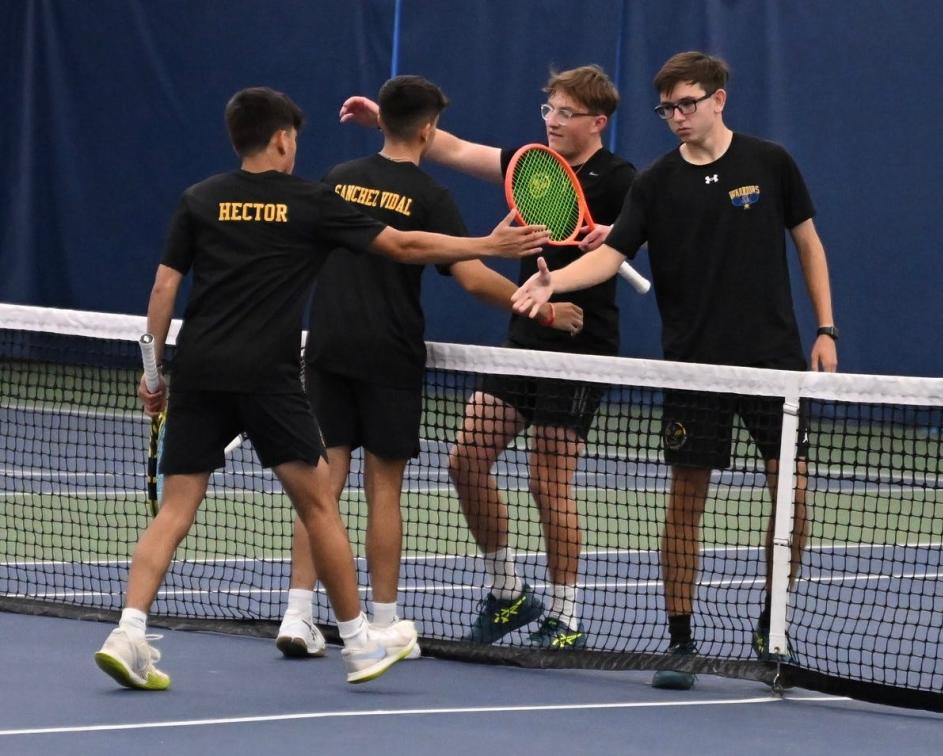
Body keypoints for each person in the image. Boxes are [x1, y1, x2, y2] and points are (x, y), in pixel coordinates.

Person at [93, 86, 549, 690]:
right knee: (319, 504)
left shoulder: (199, 199)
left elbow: (162, 290)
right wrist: (488, 244)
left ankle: (128, 633)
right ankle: (362, 644)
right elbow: (404, 245)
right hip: (269, 379)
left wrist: (153, 376)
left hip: (199, 372)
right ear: (282, 139)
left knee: (176, 510)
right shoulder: (311, 203)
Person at [512, 51, 837, 688]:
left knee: (792, 495)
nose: (676, 117)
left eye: (686, 104)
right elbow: (609, 257)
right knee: (685, 500)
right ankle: (680, 642)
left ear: (719, 99)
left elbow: (808, 243)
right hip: (692, 366)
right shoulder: (654, 184)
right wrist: (552, 285)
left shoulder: (770, 163)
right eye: (667, 108)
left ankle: (774, 625)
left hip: (773, 363)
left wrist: (826, 328)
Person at [276, 76, 583, 659]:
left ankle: (299, 614)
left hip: (328, 347)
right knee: (383, 489)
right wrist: (541, 310)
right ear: (427, 129)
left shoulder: (337, 179)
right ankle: (385, 622)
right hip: (389, 352)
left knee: (322, 484)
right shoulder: (431, 195)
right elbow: (469, 277)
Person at [339, 65, 634, 649]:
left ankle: (566, 617)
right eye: (548, 109)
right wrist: (386, 120)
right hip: (527, 333)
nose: (552, 121)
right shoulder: (534, 166)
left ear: (597, 122)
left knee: (548, 481)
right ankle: (508, 593)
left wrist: (613, 231)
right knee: (465, 460)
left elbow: (654, 227)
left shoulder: (622, 178)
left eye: (565, 113)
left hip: (580, 342)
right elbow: (453, 147)